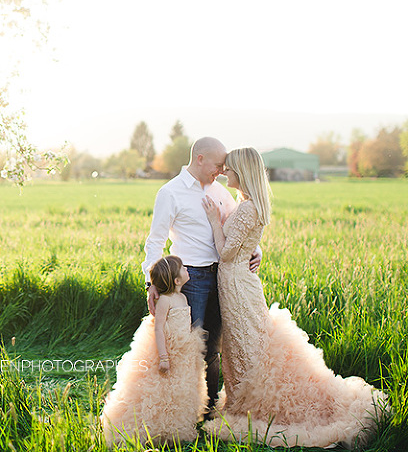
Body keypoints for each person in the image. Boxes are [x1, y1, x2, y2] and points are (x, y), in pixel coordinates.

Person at [201, 147, 390, 448]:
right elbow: (244, 243)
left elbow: (225, 253)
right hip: (236, 281)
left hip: (237, 285)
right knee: (239, 345)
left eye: (229, 168)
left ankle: (251, 406)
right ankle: (239, 401)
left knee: (245, 346)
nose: (224, 172)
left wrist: (214, 219)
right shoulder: (246, 204)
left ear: (242, 172)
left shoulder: (248, 208)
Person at [141, 137, 260, 410]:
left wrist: (257, 250)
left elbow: (241, 226)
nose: (221, 171)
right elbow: (155, 241)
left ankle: (210, 410)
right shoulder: (170, 192)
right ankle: (184, 410)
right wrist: (151, 282)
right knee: (188, 348)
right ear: (200, 159)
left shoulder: (220, 192)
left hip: (222, 277)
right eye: (218, 165)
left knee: (214, 349)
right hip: (189, 280)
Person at [101, 255, 208, 446]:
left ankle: (176, 427)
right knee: (161, 388)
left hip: (183, 350)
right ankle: (154, 428)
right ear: (176, 281)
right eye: (183, 268)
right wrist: (164, 357)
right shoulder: (165, 301)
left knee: (180, 388)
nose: (187, 269)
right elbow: (158, 328)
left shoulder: (182, 297)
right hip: (168, 349)